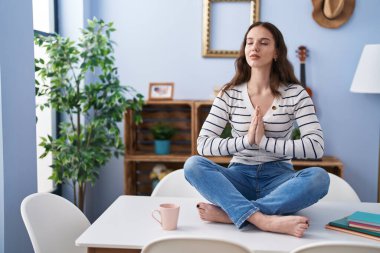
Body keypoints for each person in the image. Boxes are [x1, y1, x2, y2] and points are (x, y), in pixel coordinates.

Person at [184, 22, 329, 238]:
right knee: (193, 164)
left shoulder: (296, 94)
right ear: (244, 50)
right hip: (238, 175)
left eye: (264, 43)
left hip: (278, 179)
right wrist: (247, 140)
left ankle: (233, 213)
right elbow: (203, 144)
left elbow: (316, 148)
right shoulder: (228, 94)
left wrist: (264, 142)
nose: (255, 48)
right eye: (250, 42)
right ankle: (263, 219)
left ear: (277, 52)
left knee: (319, 178)